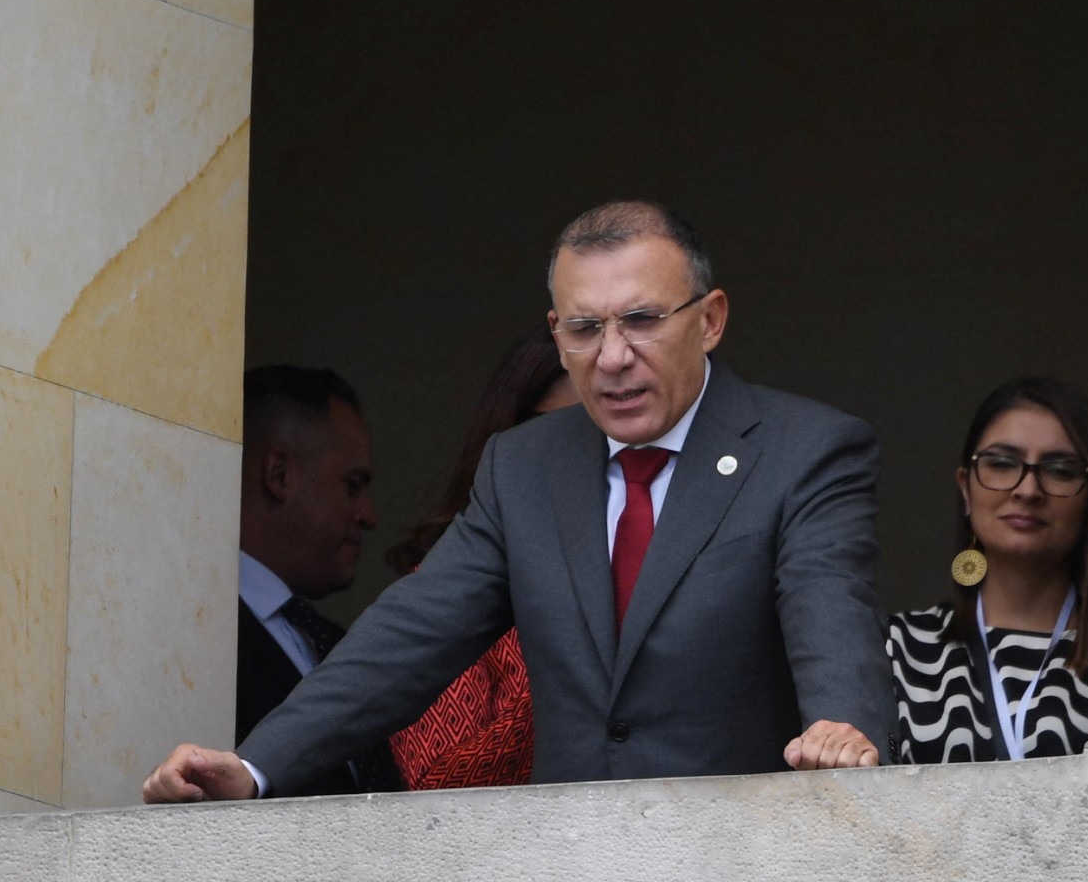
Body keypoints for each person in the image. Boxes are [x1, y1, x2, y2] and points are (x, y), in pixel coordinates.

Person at [144, 200, 893, 803]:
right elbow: (409, 637)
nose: (612, 356)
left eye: (641, 320)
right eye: (584, 327)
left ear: (710, 319)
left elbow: (828, 608)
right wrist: (254, 768)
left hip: (737, 873)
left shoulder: (804, 450)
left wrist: (842, 728)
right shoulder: (525, 466)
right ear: (555, 334)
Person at [887, 376, 1088, 763]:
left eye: (1060, 470)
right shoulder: (896, 648)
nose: (1028, 489)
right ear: (966, 488)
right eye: (1001, 463)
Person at [382, 329, 578, 789]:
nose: (589, 458)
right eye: (563, 432)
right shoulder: (456, 585)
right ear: (509, 441)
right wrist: (577, 668)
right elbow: (436, 784)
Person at [235, 365, 403, 794]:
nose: (368, 515)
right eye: (353, 485)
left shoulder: (335, 644)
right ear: (279, 475)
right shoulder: (200, 638)